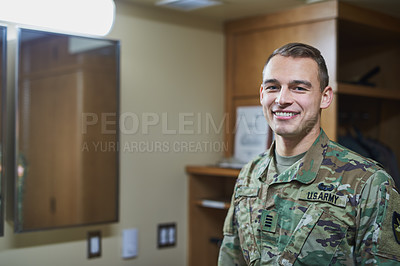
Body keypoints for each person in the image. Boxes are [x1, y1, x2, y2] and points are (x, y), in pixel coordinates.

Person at [218, 43, 400, 265]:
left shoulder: (368, 183)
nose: (282, 99)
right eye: (273, 87)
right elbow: (231, 257)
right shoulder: (249, 174)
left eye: (299, 88)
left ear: (325, 97)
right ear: (262, 94)